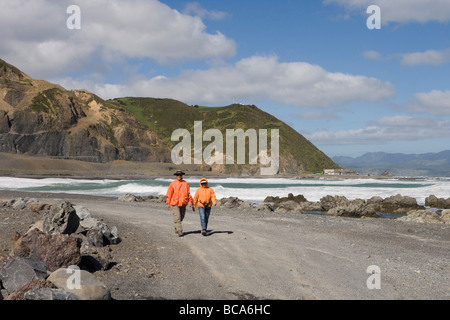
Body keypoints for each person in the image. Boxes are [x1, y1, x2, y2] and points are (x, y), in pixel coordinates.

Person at [166, 170, 193, 237]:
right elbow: (169, 194)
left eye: (180, 175)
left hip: (183, 203)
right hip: (175, 203)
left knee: (181, 217)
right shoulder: (173, 184)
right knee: (177, 217)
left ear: (182, 175)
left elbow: (188, 193)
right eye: (178, 175)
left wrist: (190, 201)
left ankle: (176, 228)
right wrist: (168, 203)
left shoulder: (185, 183)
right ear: (176, 176)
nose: (179, 176)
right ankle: (180, 231)